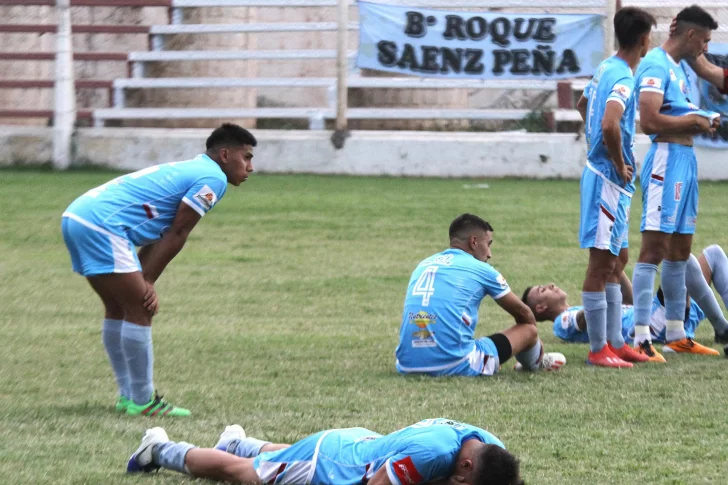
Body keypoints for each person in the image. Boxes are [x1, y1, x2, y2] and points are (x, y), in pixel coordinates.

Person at [61, 123, 256, 417]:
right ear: (225, 154)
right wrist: (147, 280)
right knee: (141, 307)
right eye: (247, 157)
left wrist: (143, 277)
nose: (250, 167)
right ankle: (142, 400)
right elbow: (178, 232)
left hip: (78, 215)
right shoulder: (212, 178)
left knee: (118, 307)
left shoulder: (193, 168)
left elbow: (161, 231)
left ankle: (128, 396)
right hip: (103, 225)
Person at [631, 6, 725, 363]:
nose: (705, 46)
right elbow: (650, 121)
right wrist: (696, 120)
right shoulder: (656, 64)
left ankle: (676, 333)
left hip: (685, 161)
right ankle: (641, 336)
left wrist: (700, 121)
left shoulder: (681, 67)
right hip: (667, 160)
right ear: (688, 35)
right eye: (703, 39)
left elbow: (711, 75)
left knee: (681, 251)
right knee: (653, 249)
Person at [573, 7, 656, 368]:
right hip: (607, 178)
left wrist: (596, 142)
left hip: (609, 178)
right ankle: (597, 349)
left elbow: (582, 104)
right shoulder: (623, 77)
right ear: (643, 40)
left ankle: (616, 342)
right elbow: (610, 123)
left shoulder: (605, 67)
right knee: (600, 263)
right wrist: (617, 160)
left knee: (618, 259)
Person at [395, 214, 565, 377]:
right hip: (454, 363)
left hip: (406, 363)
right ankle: (536, 362)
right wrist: (534, 341)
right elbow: (524, 314)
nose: (489, 254)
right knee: (528, 330)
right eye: (488, 244)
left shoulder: (424, 264)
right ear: (474, 242)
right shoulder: (482, 270)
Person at [127, 417, 525, 485]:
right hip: (331, 463)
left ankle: (237, 440)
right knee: (243, 474)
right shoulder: (431, 455)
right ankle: (160, 449)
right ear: (466, 466)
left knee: (276, 458)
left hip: (360, 444)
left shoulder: (492, 451)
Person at [522, 245, 728, 354]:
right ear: (541, 307)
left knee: (713, 254)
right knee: (679, 260)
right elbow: (584, 319)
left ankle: (722, 329)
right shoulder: (562, 322)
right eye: (542, 290)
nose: (549, 285)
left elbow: (631, 299)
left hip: (656, 312)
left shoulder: (582, 306)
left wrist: (613, 267)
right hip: (654, 323)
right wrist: (599, 288)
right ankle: (722, 329)